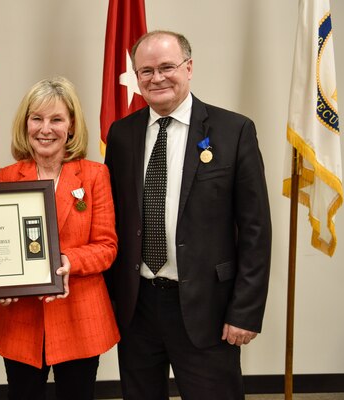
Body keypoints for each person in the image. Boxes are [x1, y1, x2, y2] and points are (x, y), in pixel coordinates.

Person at [104, 30, 272, 399]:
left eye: (167, 66)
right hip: (138, 307)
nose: (157, 77)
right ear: (136, 77)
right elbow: (113, 220)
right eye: (145, 70)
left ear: (189, 68)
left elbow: (256, 228)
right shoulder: (121, 134)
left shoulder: (234, 131)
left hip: (207, 307)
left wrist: (244, 311)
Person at [0, 76, 119, 400]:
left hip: (80, 316)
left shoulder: (94, 174)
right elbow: (0, 246)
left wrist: (69, 260)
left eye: (56, 119)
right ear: (25, 124)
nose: (46, 129)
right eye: (37, 118)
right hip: (21, 319)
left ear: (71, 126)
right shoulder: (7, 176)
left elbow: (106, 247)